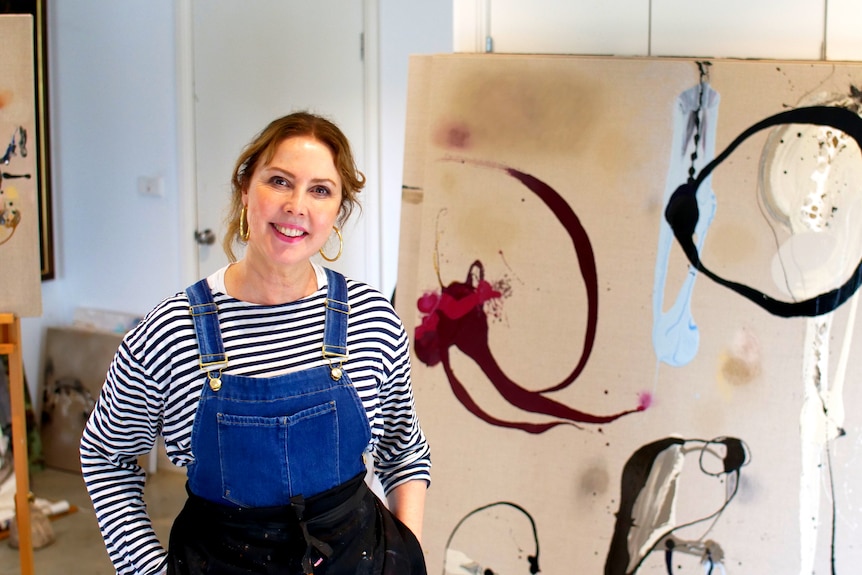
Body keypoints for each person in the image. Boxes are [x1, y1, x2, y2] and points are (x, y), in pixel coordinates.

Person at [80, 111, 431, 575]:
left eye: (320, 190)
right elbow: (107, 455)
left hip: (358, 560)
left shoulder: (371, 319)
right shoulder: (171, 330)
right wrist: (148, 570)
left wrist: (405, 554)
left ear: (338, 212)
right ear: (246, 188)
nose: (297, 205)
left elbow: (403, 447)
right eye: (280, 181)